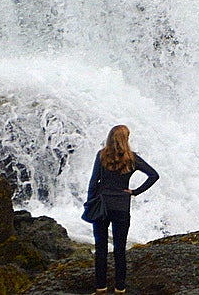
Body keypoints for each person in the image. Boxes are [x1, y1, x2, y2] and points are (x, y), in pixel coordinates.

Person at [87, 124, 160, 295]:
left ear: (110, 137)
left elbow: (93, 182)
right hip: (121, 207)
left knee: (101, 248)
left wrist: (90, 201)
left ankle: (101, 288)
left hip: (102, 205)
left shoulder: (101, 155)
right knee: (120, 249)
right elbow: (154, 175)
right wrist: (134, 192)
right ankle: (120, 289)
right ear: (126, 139)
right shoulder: (132, 158)